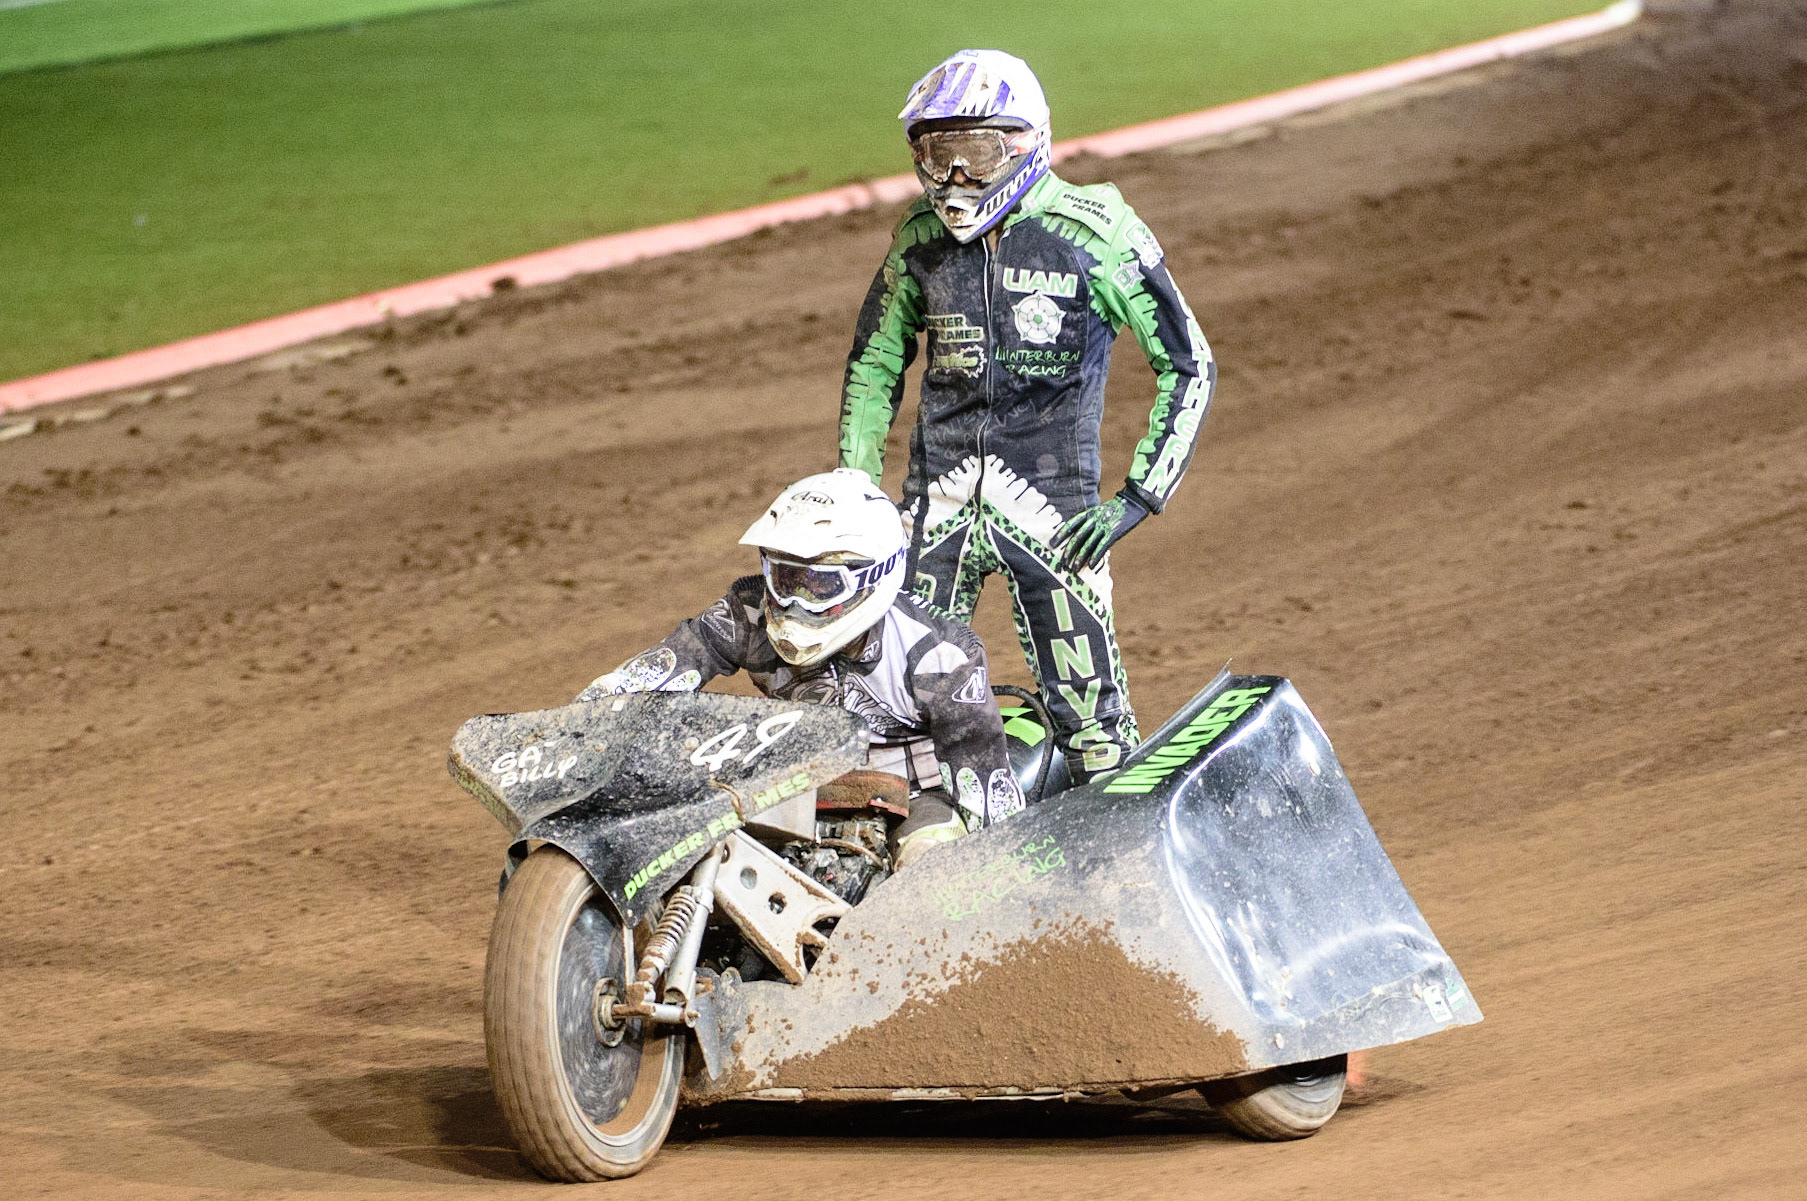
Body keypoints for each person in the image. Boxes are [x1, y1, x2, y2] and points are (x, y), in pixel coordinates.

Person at [839, 49, 1215, 783]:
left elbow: (1189, 363)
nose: (954, 177)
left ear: (1023, 142)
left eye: (975, 154)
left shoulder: (1098, 230)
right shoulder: (916, 238)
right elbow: (874, 360)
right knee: (887, 711)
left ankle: (1108, 835)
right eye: (936, 154)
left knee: (1093, 729)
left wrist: (1138, 497)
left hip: (1054, 514)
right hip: (933, 506)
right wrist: (856, 486)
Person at [577, 468, 1023, 867]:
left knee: (924, 865)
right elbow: (675, 661)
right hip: (800, 785)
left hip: (916, 796)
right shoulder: (747, 613)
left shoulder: (939, 655)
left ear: (873, 577)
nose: (794, 602)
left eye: (819, 585)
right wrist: (588, 716)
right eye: (786, 579)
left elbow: (987, 791)